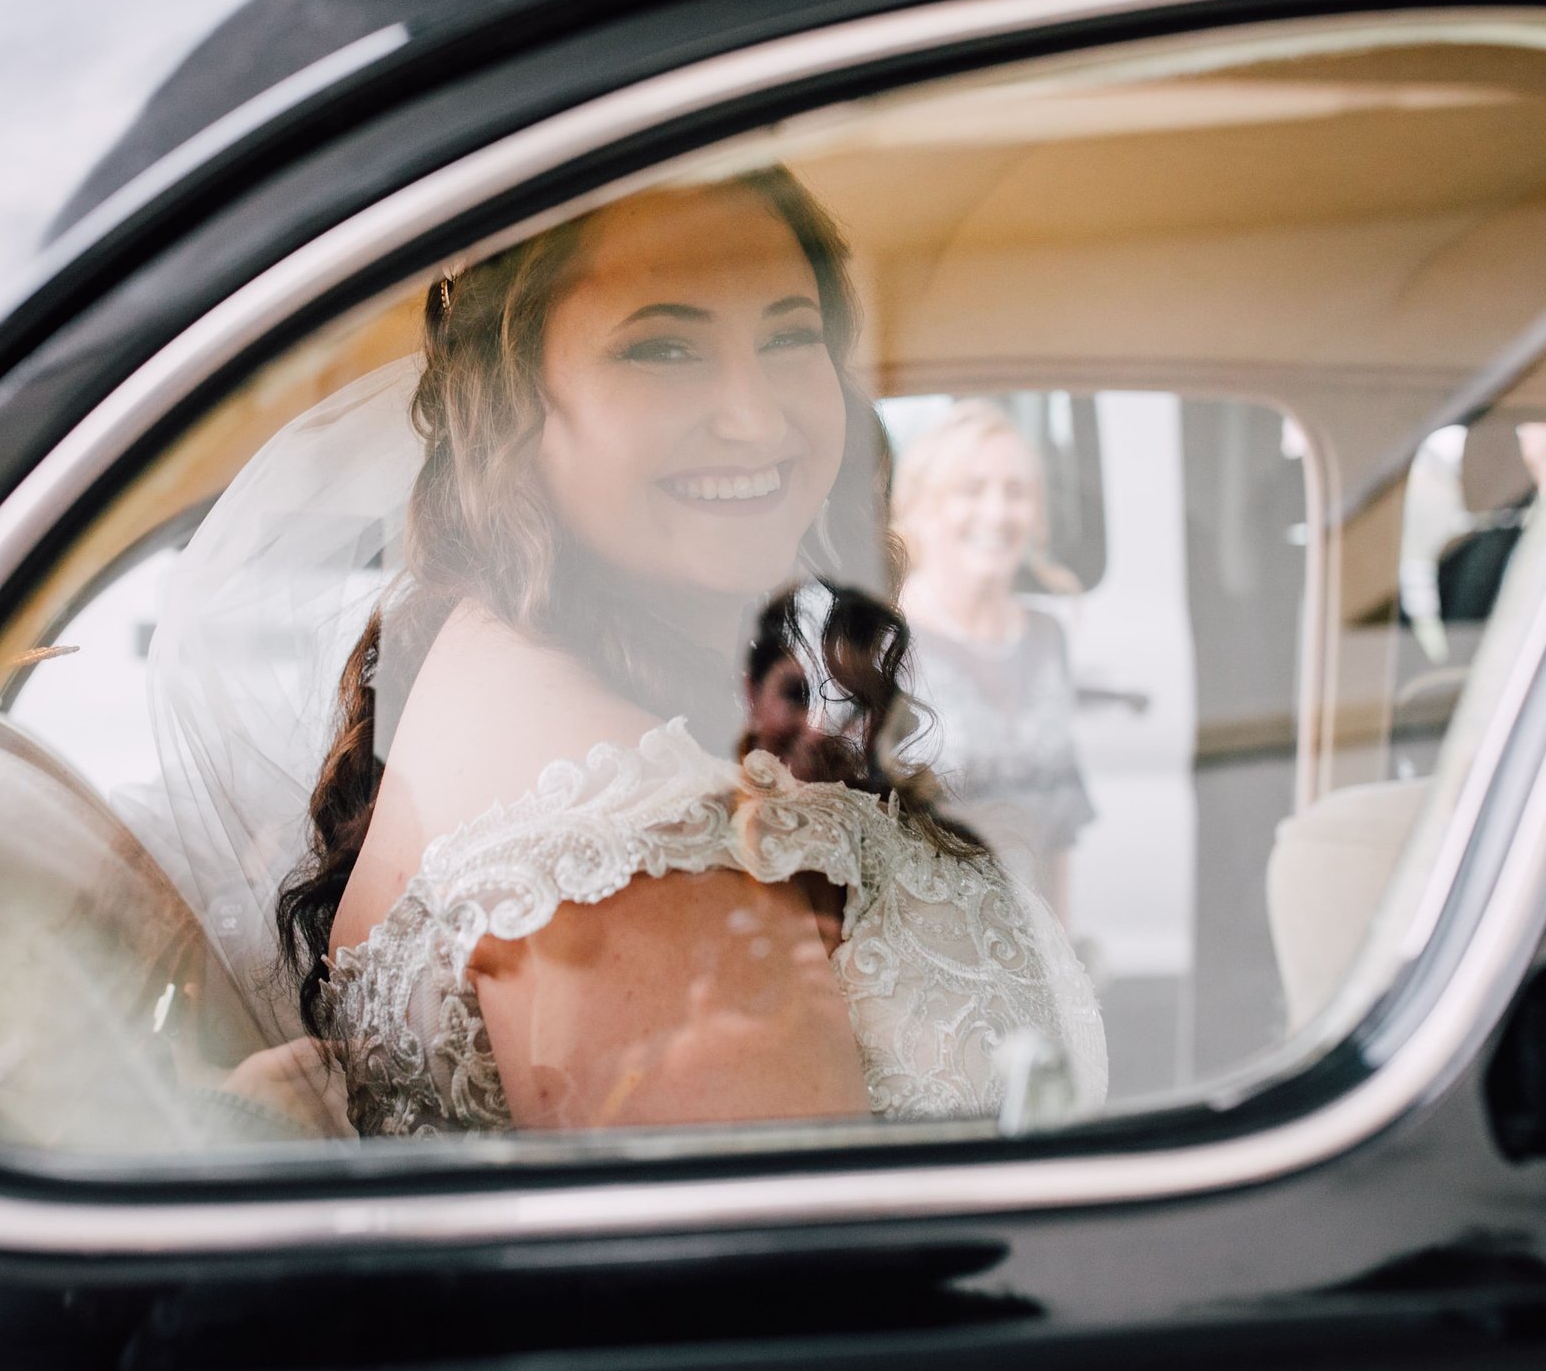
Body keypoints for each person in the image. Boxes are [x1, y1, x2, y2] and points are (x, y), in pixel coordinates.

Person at [149, 168, 1105, 1137]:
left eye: (788, 335)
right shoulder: (638, 854)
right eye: (664, 346)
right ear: (511, 404)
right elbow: (811, 1278)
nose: (755, 415)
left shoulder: (502, 641)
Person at [891, 402, 1095, 926]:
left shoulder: (1047, 637)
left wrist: (1065, 960)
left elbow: (1059, 835)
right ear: (922, 506)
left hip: (1034, 943)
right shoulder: (886, 641)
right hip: (930, 943)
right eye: (972, 489)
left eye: (1016, 492)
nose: (997, 512)